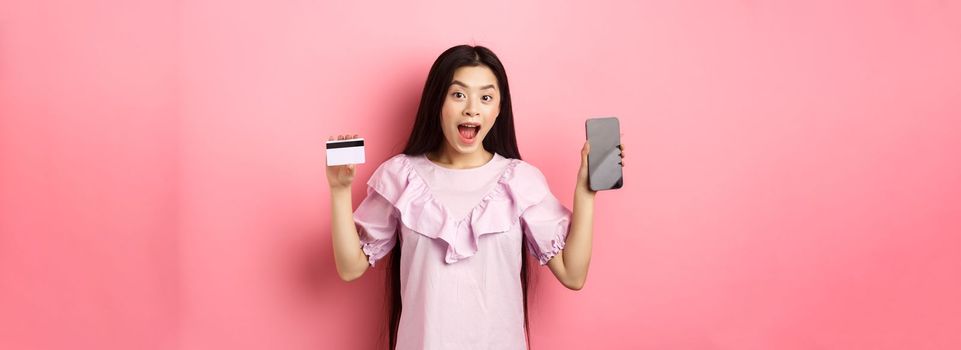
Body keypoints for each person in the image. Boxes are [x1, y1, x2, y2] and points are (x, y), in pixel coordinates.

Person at [327, 45, 625, 350]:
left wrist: (586, 192)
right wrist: (339, 191)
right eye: (458, 95)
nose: (472, 108)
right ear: (437, 102)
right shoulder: (399, 177)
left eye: (486, 97)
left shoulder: (520, 180)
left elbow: (573, 274)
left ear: (498, 109)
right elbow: (351, 268)